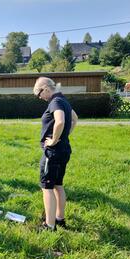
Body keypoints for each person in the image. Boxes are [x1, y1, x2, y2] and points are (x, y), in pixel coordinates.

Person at [33, 77, 78, 231]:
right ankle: (60, 219)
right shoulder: (63, 99)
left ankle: (49, 225)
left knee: (47, 187)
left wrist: (53, 140)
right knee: (58, 185)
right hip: (64, 149)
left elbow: (60, 121)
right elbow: (75, 119)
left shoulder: (55, 102)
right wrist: (64, 136)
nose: (39, 97)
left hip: (52, 153)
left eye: (39, 94)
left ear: (45, 88)